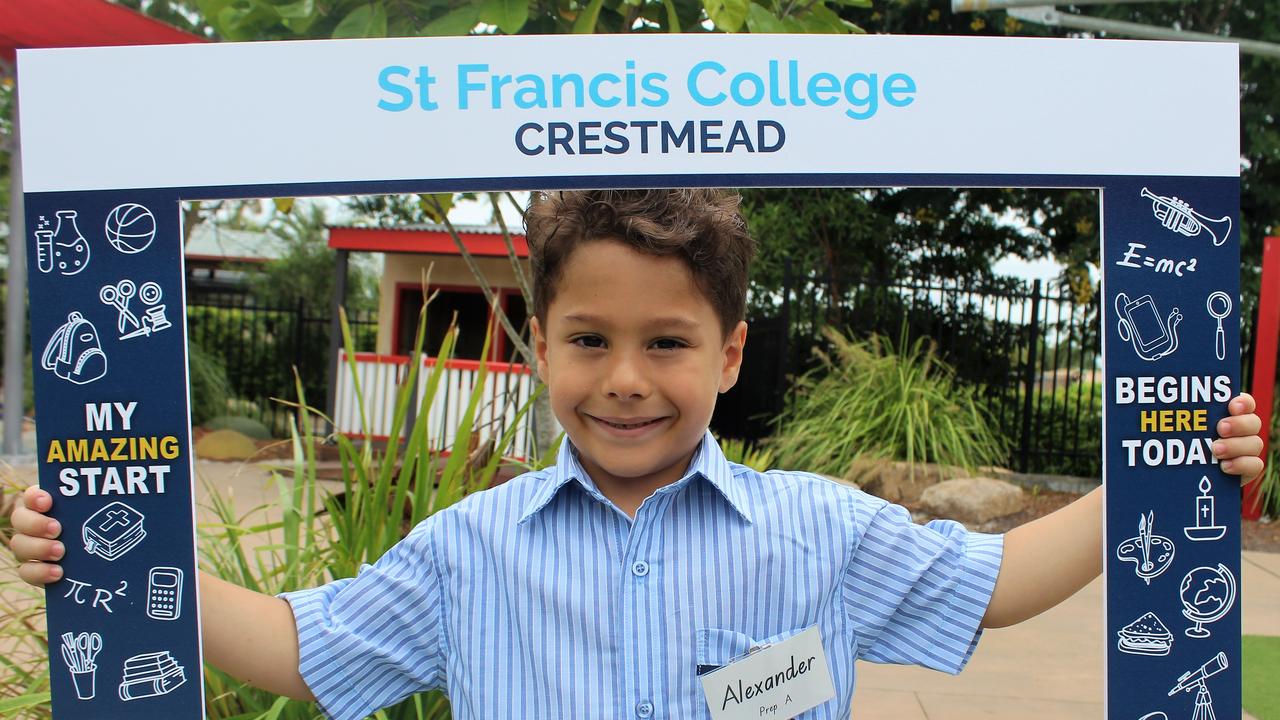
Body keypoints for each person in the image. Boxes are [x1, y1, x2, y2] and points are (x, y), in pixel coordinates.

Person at [9, 189, 1266, 719]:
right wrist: (128, 543)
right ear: (539, 346)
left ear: (725, 354)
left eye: (665, 341)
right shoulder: (467, 551)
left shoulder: (816, 529)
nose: (623, 378)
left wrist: (1158, 476)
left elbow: (997, 586)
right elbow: (297, 649)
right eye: (587, 339)